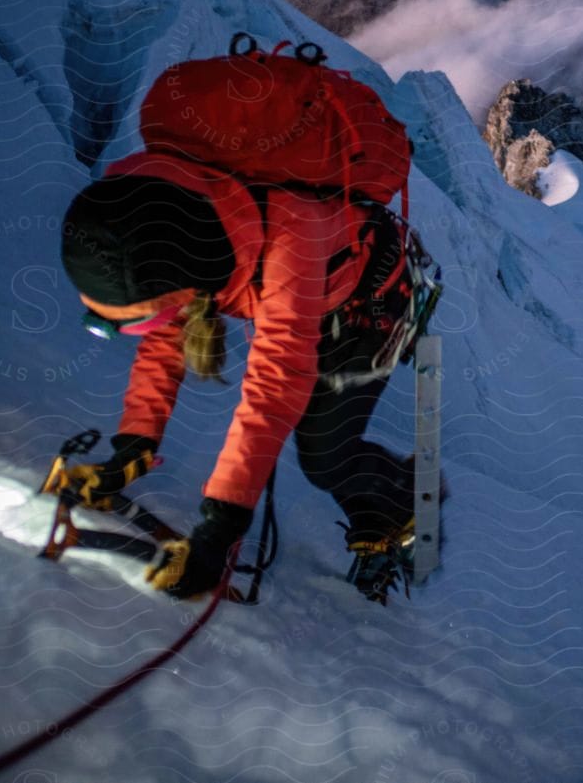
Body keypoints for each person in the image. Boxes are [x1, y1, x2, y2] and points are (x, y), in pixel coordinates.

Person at [56, 150, 417, 602]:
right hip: (301, 290)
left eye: (135, 323)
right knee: (321, 444)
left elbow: (274, 386)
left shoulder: (290, 235)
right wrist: (134, 446)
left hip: (367, 308)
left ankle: (407, 498)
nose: (142, 332)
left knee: (324, 453)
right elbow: (166, 335)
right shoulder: (151, 214)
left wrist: (223, 522)